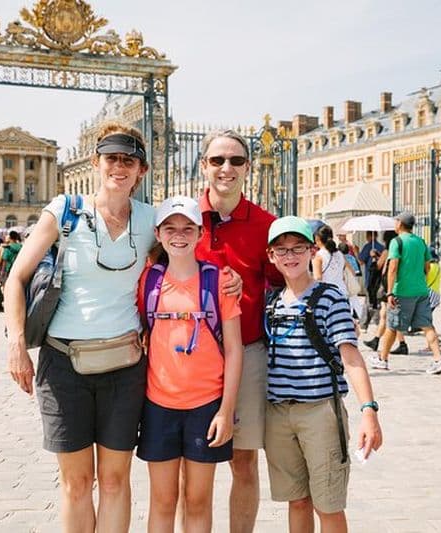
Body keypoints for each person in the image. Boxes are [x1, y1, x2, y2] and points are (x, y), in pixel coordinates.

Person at [4, 122, 242, 532]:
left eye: (129, 161)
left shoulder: (150, 219)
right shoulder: (65, 210)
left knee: (115, 481)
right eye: (112, 158)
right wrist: (17, 343)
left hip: (123, 367)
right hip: (64, 366)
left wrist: (230, 276)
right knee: (77, 483)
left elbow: (185, 249)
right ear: (97, 162)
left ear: (141, 171)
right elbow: (16, 278)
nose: (120, 167)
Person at [264, 216, 382, 533]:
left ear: (312, 251)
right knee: (297, 500)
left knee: (328, 504)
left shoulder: (330, 298)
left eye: (298, 248)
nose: (290, 256)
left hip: (320, 411)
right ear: (271, 256)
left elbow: (351, 356)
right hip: (278, 414)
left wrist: (369, 411)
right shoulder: (271, 303)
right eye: (282, 250)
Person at [193, 129, 284, 533]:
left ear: (248, 168)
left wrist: (249, 290)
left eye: (235, 161)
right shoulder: (182, 218)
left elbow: (283, 288)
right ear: (203, 167)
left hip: (245, 352)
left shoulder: (267, 224)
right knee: (193, 467)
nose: (226, 168)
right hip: (189, 357)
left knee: (243, 460)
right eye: (217, 160)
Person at [137, 196, 243, 533]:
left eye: (187, 228)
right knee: (163, 500)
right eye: (171, 228)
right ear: (159, 233)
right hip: (159, 404)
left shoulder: (218, 281)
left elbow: (235, 349)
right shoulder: (148, 281)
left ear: (200, 233)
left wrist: (226, 411)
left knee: (198, 500)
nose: (179, 235)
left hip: (206, 406)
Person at [369, 213, 441, 375]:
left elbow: (392, 268)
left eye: (396, 221)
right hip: (421, 291)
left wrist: (390, 292)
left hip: (402, 292)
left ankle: (383, 359)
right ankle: (438, 359)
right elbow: (427, 267)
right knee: (427, 326)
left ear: (400, 224)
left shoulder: (396, 242)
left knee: (392, 325)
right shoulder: (421, 242)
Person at [362, 230, 405, 353]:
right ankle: (376, 340)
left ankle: (400, 344)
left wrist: (374, 258)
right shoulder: (398, 251)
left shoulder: (387, 251)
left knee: (388, 317)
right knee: (385, 315)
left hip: (387, 288)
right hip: (396, 286)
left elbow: (379, 267)